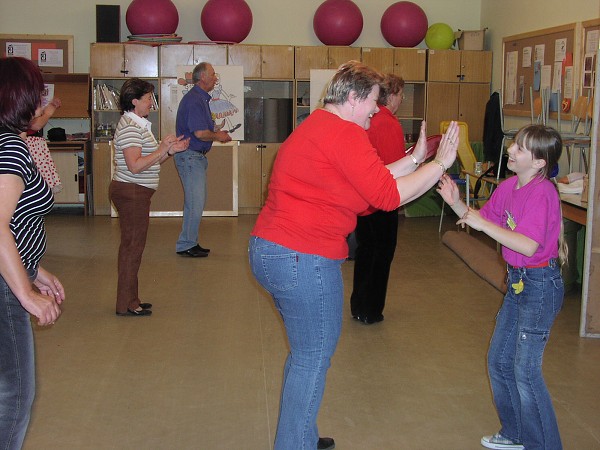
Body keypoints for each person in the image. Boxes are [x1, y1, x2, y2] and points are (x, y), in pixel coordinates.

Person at [248, 61, 459, 450]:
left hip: (272, 251)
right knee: (312, 357)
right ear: (353, 98)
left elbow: (370, 181)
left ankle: (302, 436)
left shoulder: (319, 126)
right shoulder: (344, 134)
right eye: (374, 102)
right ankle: (294, 444)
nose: (378, 110)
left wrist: (416, 160)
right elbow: (388, 196)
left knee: (304, 353)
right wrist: (440, 164)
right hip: (303, 258)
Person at [437, 124, 566, 450]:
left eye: (521, 148)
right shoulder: (509, 186)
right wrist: (455, 203)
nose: (511, 150)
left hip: (540, 286)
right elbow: (480, 219)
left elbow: (526, 246)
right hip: (519, 284)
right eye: (514, 144)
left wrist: (478, 221)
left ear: (539, 162)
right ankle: (515, 433)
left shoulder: (543, 192)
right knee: (499, 362)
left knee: (526, 372)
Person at [0, 56, 65, 449]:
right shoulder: (9, 147)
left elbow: (16, 220)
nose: (42, 99)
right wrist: (26, 293)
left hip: (14, 273)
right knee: (14, 394)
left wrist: (35, 268)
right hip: (5, 288)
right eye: (39, 91)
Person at [109, 78, 189, 317]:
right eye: (147, 99)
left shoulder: (138, 125)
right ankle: (127, 304)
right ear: (134, 101)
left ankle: (131, 299)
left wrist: (169, 150)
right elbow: (135, 166)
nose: (151, 104)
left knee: (133, 247)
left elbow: (150, 162)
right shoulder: (131, 127)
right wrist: (162, 149)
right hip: (131, 191)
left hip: (136, 191)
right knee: (132, 248)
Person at [350, 73, 407, 325]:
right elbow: (398, 166)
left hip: (363, 199)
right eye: (401, 94)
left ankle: (358, 306)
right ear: (392, 95)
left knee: (365, 251)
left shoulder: (366, 119)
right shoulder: (389, 122)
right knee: (382, 254)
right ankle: (372, 310)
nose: (402, 99)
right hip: (382, 200)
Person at [174, 62, 232, 257]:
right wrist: (219, 137)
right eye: (213, 75)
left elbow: (200, 129)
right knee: (195, 201)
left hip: (193, 158)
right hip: (190, 157)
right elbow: (199, 133)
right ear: (203, 78)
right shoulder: (195, 100)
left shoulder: (199, 99)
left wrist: (215, 131)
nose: (216, 78)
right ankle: (186, 244)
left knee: (196, 201)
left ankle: (189, 241)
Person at [23, 97, 63, 193]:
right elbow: (35, 125)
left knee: (39, 183)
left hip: (34, 143)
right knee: (37, 183)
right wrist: (48, 112)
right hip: (31, 144)